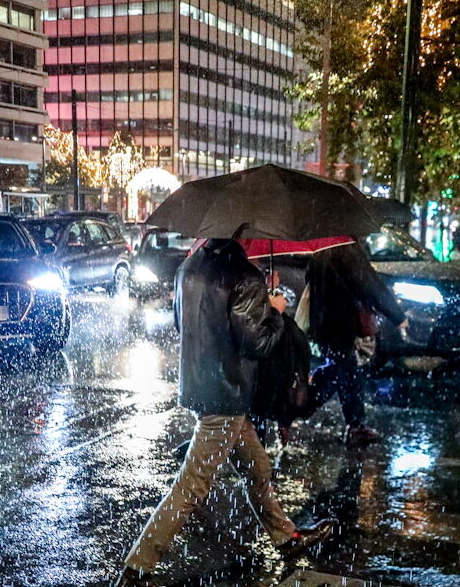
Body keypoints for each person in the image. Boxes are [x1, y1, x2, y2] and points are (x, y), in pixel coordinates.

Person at [116, 238, 336, 587]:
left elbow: (182, 324)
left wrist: (259, 301)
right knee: (191, 485)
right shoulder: (245, 276)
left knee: (257, 468)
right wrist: (274, 311)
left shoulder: (189, 267)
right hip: (227, 394)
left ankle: (286, 538)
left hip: (201, 385)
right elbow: (258, 344)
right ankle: (137, 569)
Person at [305, 241, 408, 446]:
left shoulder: (323, 247)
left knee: (346, 371)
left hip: (325, 320)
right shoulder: (346, 247)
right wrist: (397, 315)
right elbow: (369, 284)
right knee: (341, 371)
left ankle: (354, 424)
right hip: (341, 321)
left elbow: (311, 279)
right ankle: (297, 408)